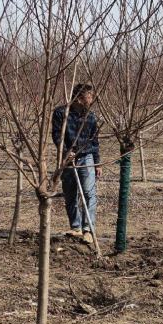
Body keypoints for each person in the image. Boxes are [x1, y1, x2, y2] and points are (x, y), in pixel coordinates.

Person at [52, 82, 101, 244]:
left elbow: (94, 141)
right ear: (80, 98)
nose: (92, 98)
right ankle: (76, 227)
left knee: (88, 192)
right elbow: (57, 135)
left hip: (86, 157)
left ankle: (88, 229)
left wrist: (97, 163)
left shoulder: (90, 116)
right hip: (67, 159)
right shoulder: (61, 113)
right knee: (70, 194)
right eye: (90, 95)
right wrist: (67, 152)